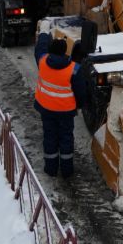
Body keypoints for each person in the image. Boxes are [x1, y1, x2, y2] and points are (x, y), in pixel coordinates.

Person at [33, 21, 86, 178]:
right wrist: (79, 106)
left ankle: (51, 169)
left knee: (50, 137)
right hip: (65, 112)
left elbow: (40, 48)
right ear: (65, 52)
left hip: (46, 109)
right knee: (66, 139)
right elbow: (81, 92)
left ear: (51, 51)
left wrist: (44, 31)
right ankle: (67, 171)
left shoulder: (43, 62)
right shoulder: (74, 69)